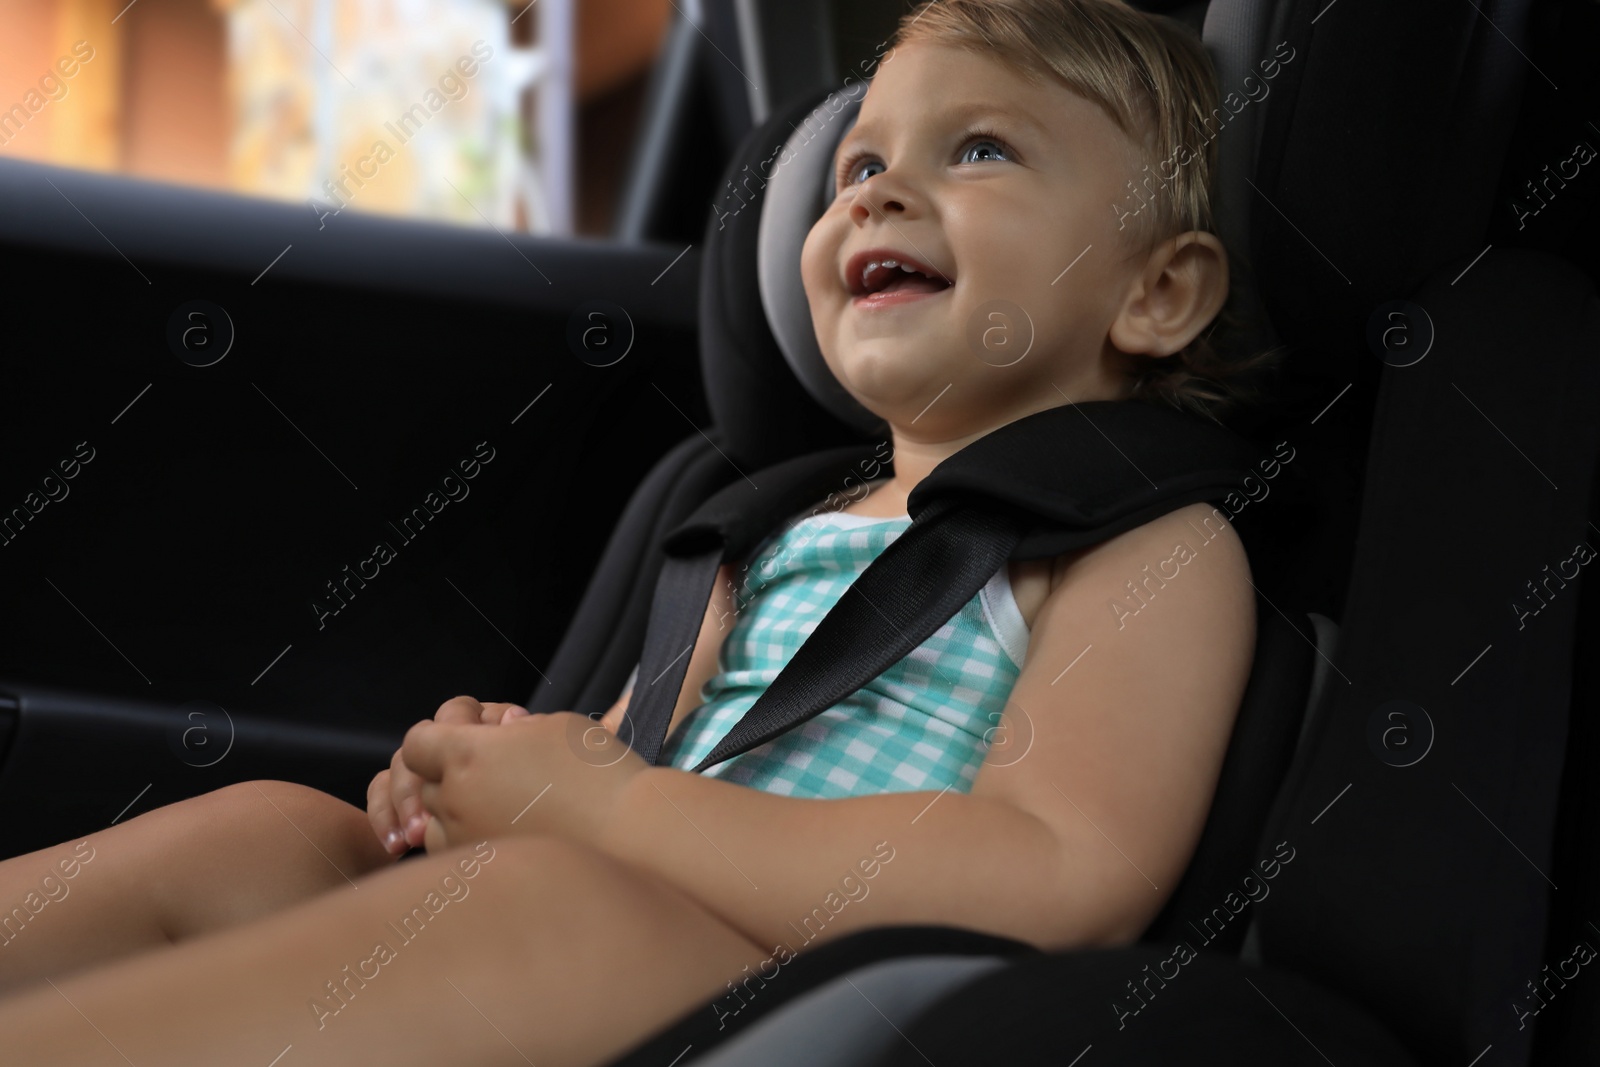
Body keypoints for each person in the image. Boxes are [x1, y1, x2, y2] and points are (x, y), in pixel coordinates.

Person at [0, 1, 1276, 1062]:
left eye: (982, 149)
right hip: (597, 905)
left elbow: (1061, 874)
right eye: (860, 169)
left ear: (1158, 294)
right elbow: (622, 764)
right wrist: (485, 790)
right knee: (275, 830)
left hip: (808, 983)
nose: (883, 198)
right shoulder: (762, 527)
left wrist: (601, 813)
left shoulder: (1138, 547)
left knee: (541, 897)